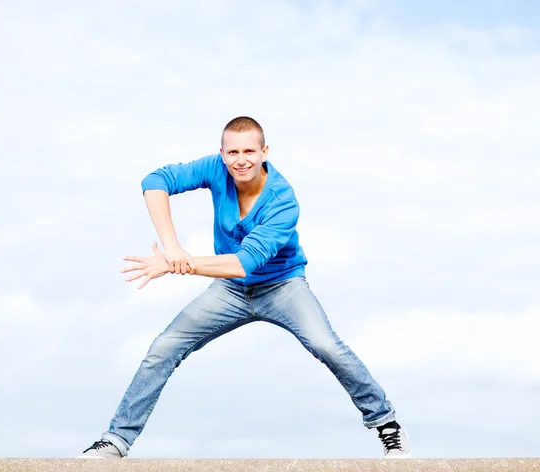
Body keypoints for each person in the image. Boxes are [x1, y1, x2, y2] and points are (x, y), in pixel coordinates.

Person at [78, 116, 411, 459]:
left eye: (249, 151)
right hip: (231, 291)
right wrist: (171, 246)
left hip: (282, 286)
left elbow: (243, 263)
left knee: (326, 345)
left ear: (264, 151)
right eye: (233, 151)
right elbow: (155, 181)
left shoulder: (283, 200)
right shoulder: (215, 169)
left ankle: (387, 424)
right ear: (222, 154)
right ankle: (116, 440)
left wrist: (180, 263)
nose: (241, 160)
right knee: (163, 347)